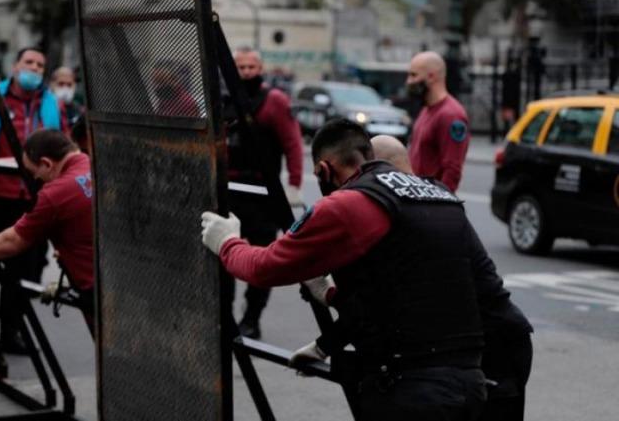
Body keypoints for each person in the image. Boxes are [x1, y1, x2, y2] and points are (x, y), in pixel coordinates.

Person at [201, 120, 487, 420]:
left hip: (410, 390)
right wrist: (327, 331)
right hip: (471, 382)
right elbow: (409, 294)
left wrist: (226, 242)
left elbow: (264, 268)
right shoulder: (438, 195)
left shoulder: (348, 204)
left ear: (323, 170)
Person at [295, 134, 534, 421]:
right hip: (486, 348)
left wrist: (325, 334)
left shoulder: (406, 216)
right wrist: (325, 339)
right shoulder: (425, 208)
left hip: (492, 350)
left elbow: (378, 307)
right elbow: (387, 303)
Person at [0, 46, 68, 354]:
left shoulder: (51, 105)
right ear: (15, 66)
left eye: (40, 65)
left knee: (26, 270)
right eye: (29, 62)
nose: (34, 69)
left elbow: (65, 148)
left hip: (34, 199)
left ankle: (11, 331)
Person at [0, 130, 95, 334]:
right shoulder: (90, 163)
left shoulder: (54, 194)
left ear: (47, 164)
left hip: (93, 286)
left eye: (34, 173)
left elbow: (14, 240)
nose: (36, 178)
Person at [224, 46, 304, 339]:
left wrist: (294, 184)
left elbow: (293, 144)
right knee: (223, 255)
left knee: (262, 260)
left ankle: (251, 319)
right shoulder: (224, 99)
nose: (246, 73)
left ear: (261, 69)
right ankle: (225, 318)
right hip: (230, 190)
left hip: (262, 192)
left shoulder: (274, 101)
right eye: (241, 67)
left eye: (251, 67)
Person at [406, 51, 470, 192]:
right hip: (416, 197)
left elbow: (452, 170)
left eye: (414, 75)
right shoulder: (426, 109)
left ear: (431, 76)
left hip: (430, 201)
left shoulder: (452, 115)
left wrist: (440, 202)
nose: (409, 81)